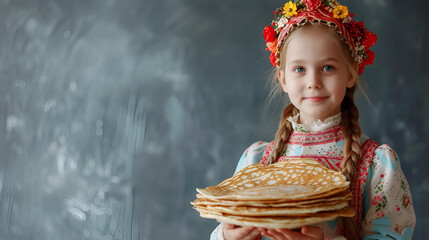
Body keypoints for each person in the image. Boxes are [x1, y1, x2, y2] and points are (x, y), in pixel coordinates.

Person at [210, 0, 416, 239]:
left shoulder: (375, 165)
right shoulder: (255, 162)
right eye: (299, 69)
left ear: (350, 74)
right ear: (283, 78)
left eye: (327, 67)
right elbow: (230, 224)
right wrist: (228, 234)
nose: (313, 81)